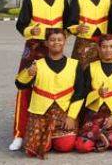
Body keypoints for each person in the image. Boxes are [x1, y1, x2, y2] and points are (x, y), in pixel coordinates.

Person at [10, 0, 68, 151]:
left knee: (54, 87)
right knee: (25, 87)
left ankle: (53, 128)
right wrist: (31, 30)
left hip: (55, 49)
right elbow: (21, 25)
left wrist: (64, 36)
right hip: (34, 47)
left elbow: (68, 24)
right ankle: (19, 133)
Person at [15, 28, 84, 159]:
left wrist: (72, 116)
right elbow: (20, 85)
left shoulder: (75, 64)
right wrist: (28, 74)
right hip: (41, 113)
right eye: (52, 40)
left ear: (64, 42)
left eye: (60, 40)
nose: (56, 43)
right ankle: (48, 139)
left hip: (63, 113)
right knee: (32, 150)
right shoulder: (36, 64)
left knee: (65, 146)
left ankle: (52, 138)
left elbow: (80, 93)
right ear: (46, 43)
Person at [75, 34, 112, 153]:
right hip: (94, 114)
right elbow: (83, 94)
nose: (108, 50)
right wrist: (97, 94)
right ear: (99, 48)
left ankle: (101, 137)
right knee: (82, 146)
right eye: (104, 47)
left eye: (111, 47)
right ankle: (101, 136)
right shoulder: (90, 68)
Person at [68, 0, 111, 68]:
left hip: (104, 45)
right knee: (81, 78)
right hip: (83, 44)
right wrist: (77, 28)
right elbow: (70, 24)